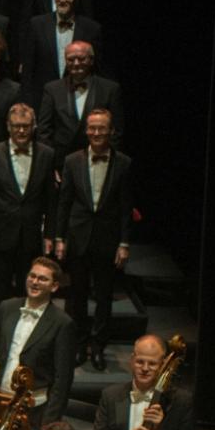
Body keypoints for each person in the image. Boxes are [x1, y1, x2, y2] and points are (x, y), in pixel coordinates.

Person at [54, 109, 131, 369]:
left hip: (107, 239)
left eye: (102, 128)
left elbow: (125, 208)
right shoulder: (72, 160)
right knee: (77, 295)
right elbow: (63, 203)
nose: (96, 133)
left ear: (111, 131)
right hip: (77, 237)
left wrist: (124, 243)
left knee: (104, 297)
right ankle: (79, 345)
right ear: (86, 131)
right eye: (92, 128)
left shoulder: (123, 163)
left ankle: (98, 346)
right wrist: (59, 237)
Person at [89, 334, 195, 430]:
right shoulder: (111, 396)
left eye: (152, 364)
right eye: (140, 362)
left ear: (164, 364)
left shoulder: (181, 401)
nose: (145, 368)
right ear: (132, 360)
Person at [0, 256, 76, 425]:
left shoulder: (62, 323)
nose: (35, 282)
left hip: (34, 410)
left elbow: (62, 379)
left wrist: (49, 422)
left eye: (42, 279)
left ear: (54, 286)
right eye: (32, 276)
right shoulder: (7, 307)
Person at [0, 103, 57, 307]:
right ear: (8, 126)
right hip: (1, 233)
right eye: (16, 126)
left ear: (34, 126)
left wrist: (50, 234)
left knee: (29, 290)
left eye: (26, 125)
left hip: (31, 234)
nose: (21, 130)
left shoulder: (46, 154)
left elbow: (51, 199)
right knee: (0, 289)